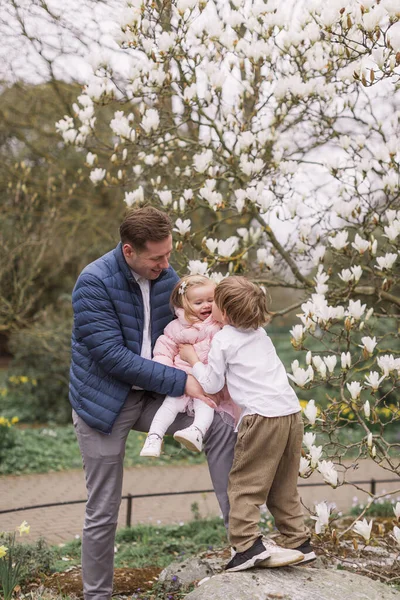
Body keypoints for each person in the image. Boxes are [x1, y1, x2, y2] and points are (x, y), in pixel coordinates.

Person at [69, 206, 237, 600]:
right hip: (103, 403)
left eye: (169, 254)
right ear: (129, 251)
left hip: (156, 397)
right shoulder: (93, 282)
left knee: (222, 429)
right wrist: (186, 382)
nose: (166, 264)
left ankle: (245, 546)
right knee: (104, 507)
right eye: (156, 258)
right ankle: (97, 595)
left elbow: (200, 328)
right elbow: (112, 358)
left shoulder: (169, 279)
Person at [179, 276, 316, 573]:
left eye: (214, 301)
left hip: (261, 418)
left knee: (244, 485)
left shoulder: (224, 339)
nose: (208, 305)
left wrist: (193, 359)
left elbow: (213, 382)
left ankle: (246, 546)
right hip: (291, 414)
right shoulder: (260, 333)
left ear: (225, 313)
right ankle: (299, 543)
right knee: (283, 484)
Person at [140, 274, 239, 457]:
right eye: (198, 302)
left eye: (211, 300)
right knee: (169, 407)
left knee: (207, 405)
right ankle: (154, 437)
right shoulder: (175, 328)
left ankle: (196, 432)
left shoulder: (220, 325)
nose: (206, 305)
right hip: (182, 380)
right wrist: (169, 376)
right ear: (184, 305)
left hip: (208, 382)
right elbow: (163, 352)